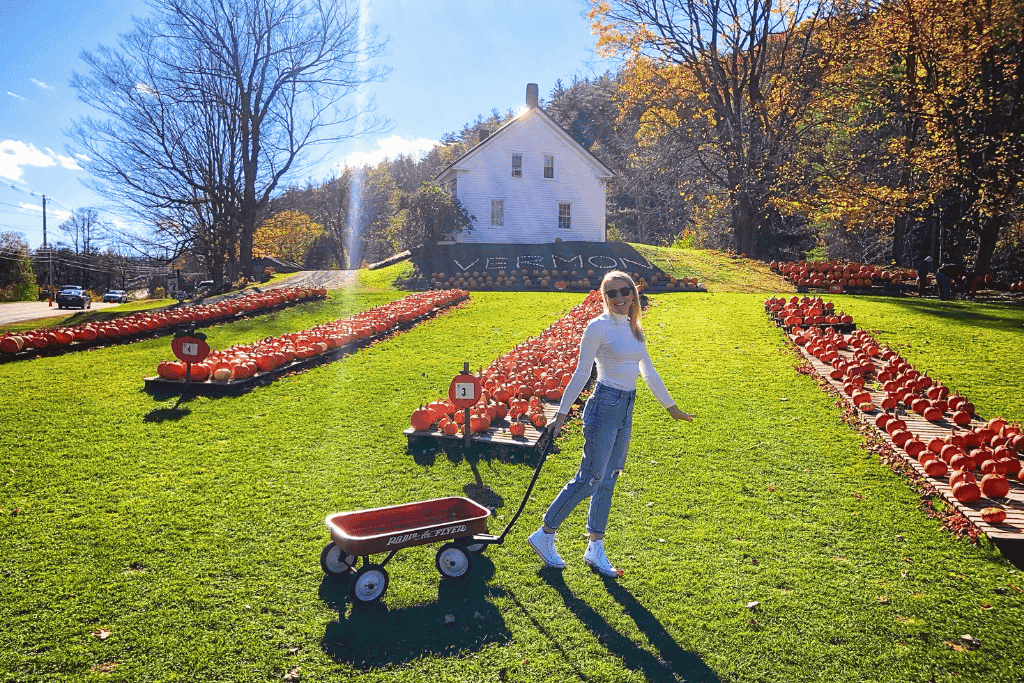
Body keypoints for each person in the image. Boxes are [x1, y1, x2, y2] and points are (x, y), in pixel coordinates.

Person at [528, 271, 694, 578]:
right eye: (611, 293)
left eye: (624, 291)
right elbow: (581, 373)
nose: (619, 298)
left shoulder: (635, 330)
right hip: (604, 405)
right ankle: (545, 534)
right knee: (590, 477)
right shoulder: (598, 327)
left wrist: (672, 409)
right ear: (604, 298)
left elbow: (649, 373)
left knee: (609, 478)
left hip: (626, 407)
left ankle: (595, 547)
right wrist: (561, 413)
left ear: (633, 294)